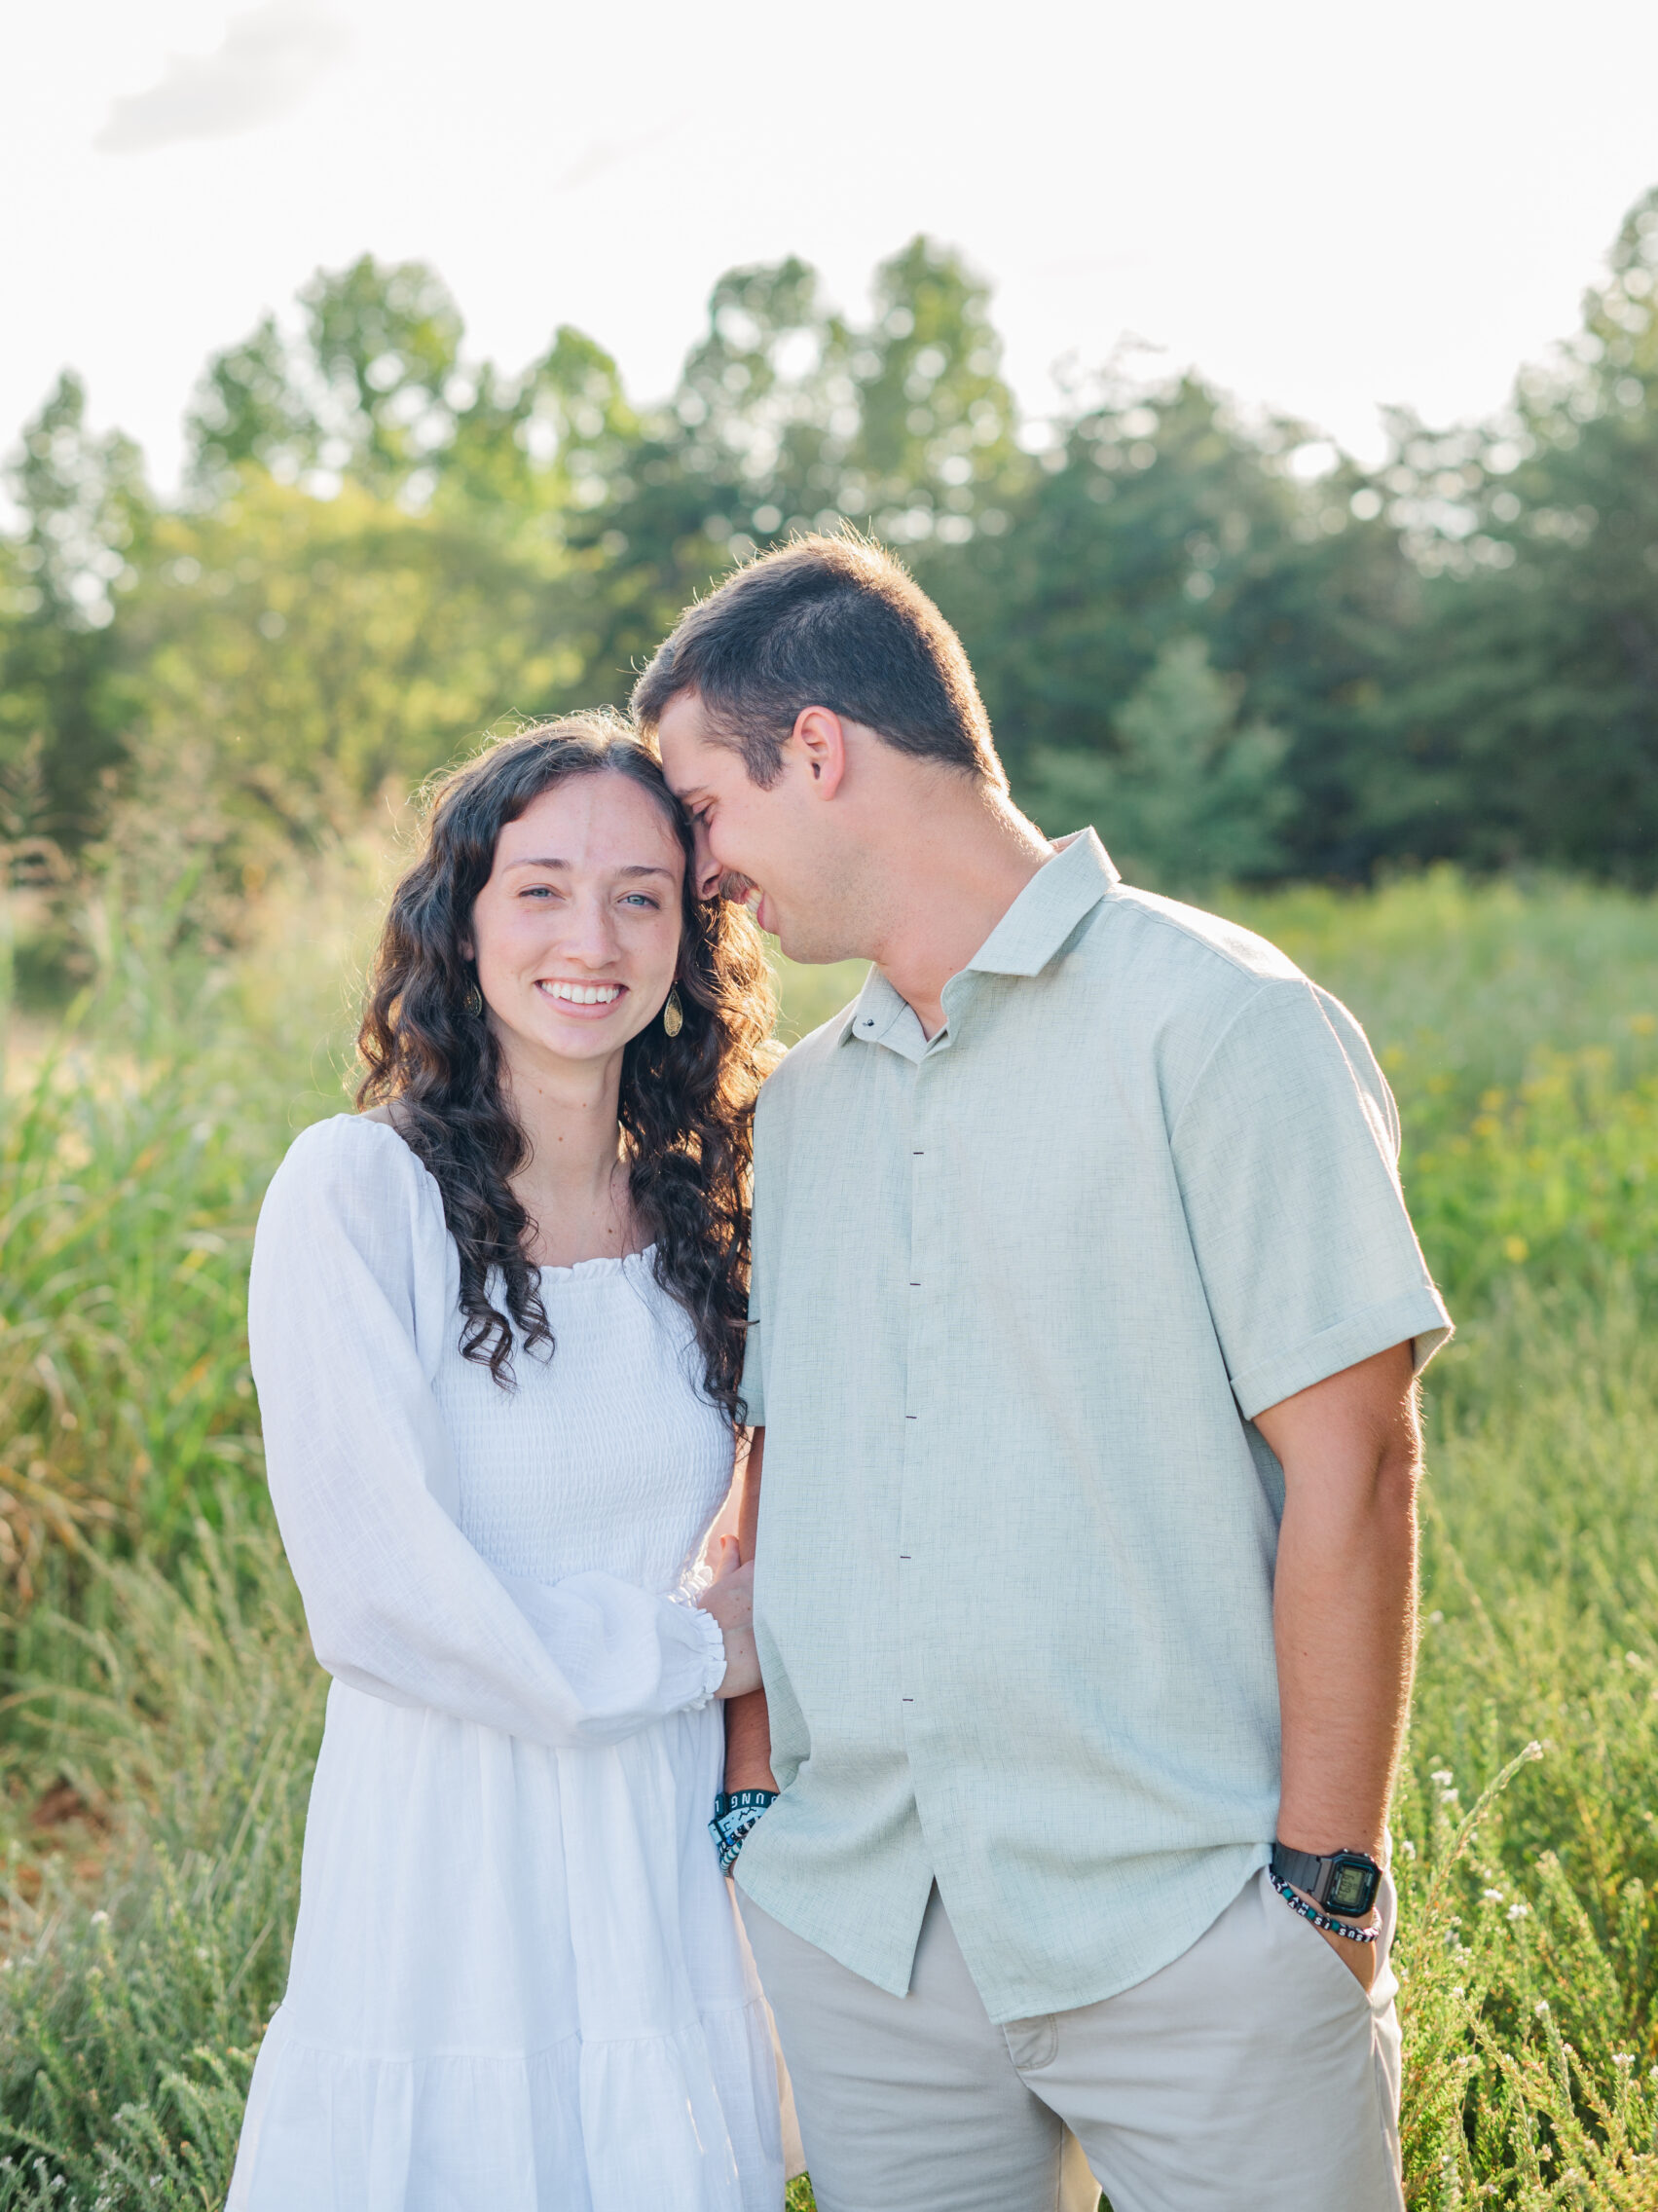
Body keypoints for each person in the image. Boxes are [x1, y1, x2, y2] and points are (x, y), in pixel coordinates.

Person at [636, 537, 1452, 2212]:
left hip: (1196, 1928)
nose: (701, 869)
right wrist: (756, 1813)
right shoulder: (804, 1111)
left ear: (819, 751)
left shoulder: (1223, 1025)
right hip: (869, 1939)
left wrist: (1326, 1895)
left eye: (705, 808)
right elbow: (783, 1469)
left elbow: (1359, 1467)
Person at [228, 715, 789, 2212]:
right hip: (448, 1858)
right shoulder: (358, 1196)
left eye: (639, 894)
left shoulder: (714, 1214)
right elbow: (378, 1598)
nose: (588, 936)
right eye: (539, 887)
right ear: (462, 917)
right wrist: (695, 1653)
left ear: (690, 930)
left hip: (661, 1856)